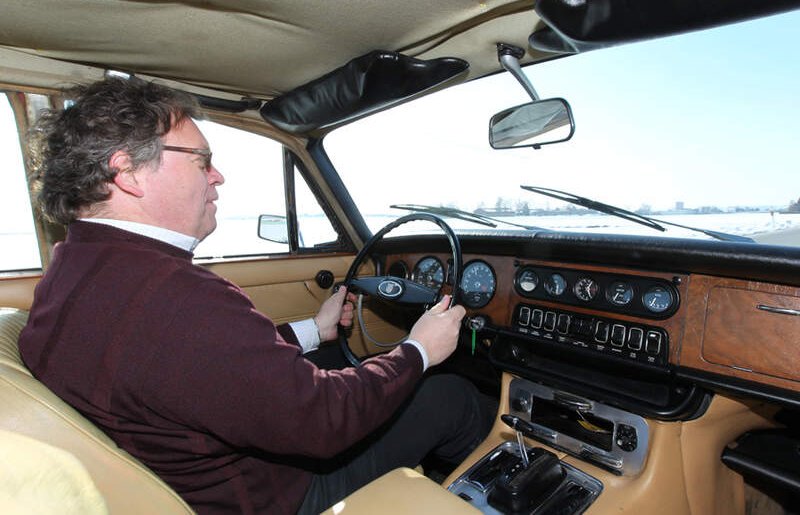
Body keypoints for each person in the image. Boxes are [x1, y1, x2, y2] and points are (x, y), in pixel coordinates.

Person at [18, 78, 489, 514]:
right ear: (128, 173)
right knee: (450, 394)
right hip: (278, 496)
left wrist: (315, 331)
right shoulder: (178, 297)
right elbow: (325, 420)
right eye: (201, 160)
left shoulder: (73, 267)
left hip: (200, 477)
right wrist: (419, 350)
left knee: (338, 364)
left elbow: (204, 368)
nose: (217, 176)